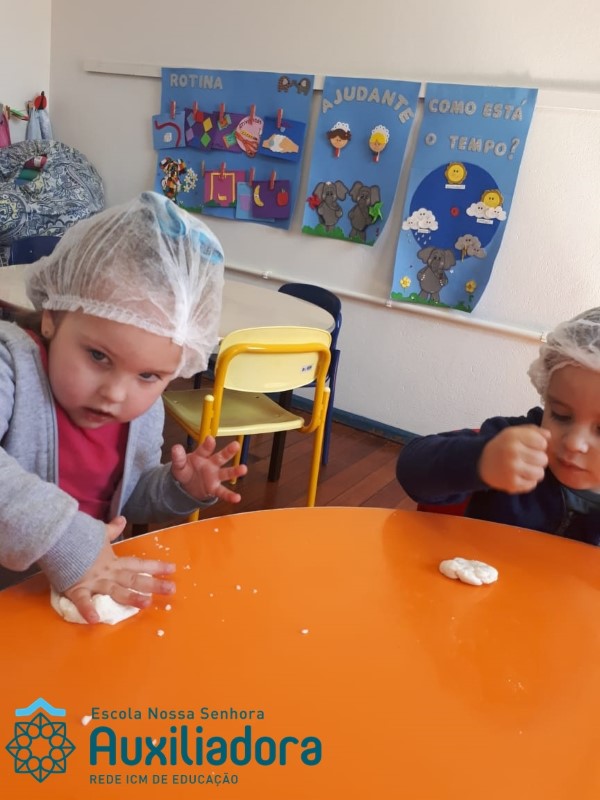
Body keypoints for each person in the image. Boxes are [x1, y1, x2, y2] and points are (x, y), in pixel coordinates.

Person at [0, 191, 247, 622]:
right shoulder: (11, 365)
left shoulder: (142, 413)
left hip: (68, 598)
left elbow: (127, 496)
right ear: (53, 316)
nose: (115, 393)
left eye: (148, 376)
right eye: (98, 356)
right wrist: (67, 540)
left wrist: (177, 488)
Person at [396, 307, 600, 544]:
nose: (574, 442)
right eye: (561, 415)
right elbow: (411, 468)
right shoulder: (514, 442)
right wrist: (480, 461)